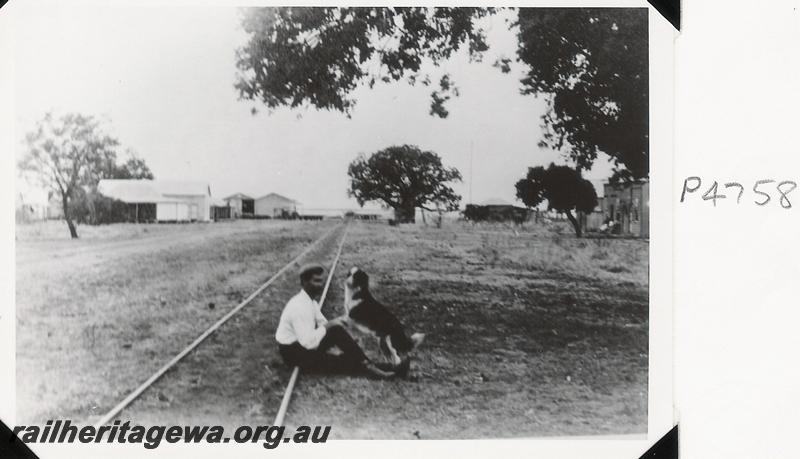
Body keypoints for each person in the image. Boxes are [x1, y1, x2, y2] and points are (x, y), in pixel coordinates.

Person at [275, 263, 407, 379]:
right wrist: (330, 326)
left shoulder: (309, 301)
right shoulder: (299, 306)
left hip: (302, 347)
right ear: (304, 282)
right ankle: (374, 369)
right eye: (316, 281)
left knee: (337, 332)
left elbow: (323, 324)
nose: (320, 285)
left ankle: (375, 366)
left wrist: (339, 331)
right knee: (342, 362)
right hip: (295, 354)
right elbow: (307, 343)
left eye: (321, 281)